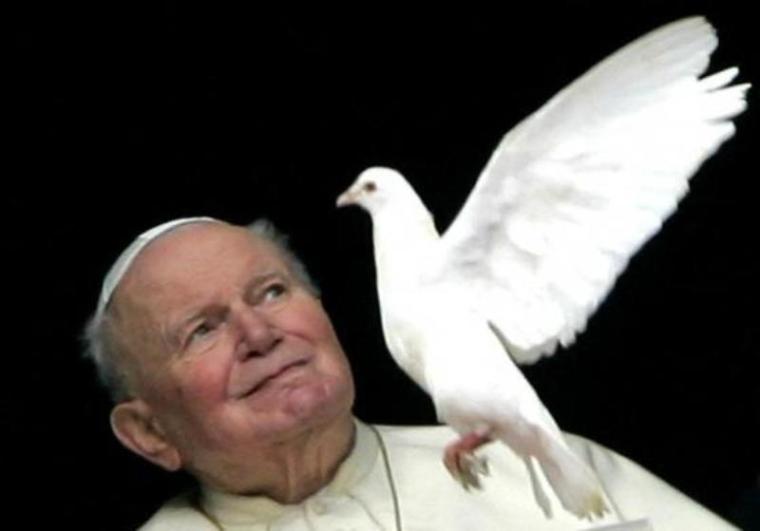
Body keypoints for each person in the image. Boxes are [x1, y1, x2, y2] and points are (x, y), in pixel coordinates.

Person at [83, 217, 737, 530]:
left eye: (272, 292)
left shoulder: (532, 460)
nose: (259, 334)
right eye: (203, 329)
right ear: (149, 432)